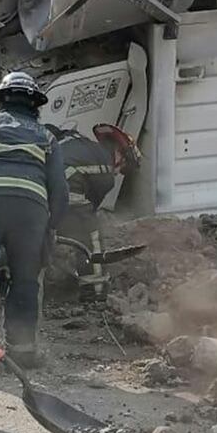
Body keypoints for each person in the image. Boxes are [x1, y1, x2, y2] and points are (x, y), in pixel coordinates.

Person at [0, 72, 67, 369]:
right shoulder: (47, 137)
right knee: (25, 279)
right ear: (35, 106)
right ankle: (22, 352)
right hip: (30, 211)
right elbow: (59, 190)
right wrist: (51, 227)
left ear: (0, 101)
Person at [50, 123, 139, 300]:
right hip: (59, 188)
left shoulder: (79, 147)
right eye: (122, 168)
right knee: (90, 232)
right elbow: (89, 209)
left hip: (37, 187)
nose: (118, 173)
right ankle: (95, 289)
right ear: (120, 154)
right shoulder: (104, 167)